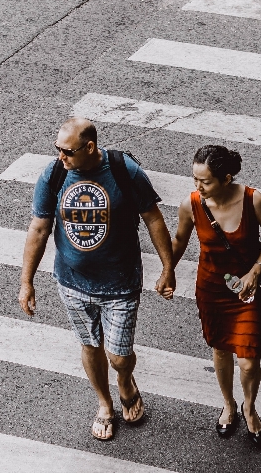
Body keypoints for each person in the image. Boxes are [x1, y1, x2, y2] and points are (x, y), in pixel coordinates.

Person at [18, 117, 176, 441]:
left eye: (68, 152)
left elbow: (153, 218)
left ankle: (125, 382)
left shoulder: (124, 170)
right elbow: (39, 228)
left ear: (90, 147)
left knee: (119, 356)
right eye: (58, 150)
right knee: (90, 345)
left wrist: (167, 266)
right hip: (72, 282)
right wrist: (26, 281)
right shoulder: (54, 174)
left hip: (121, 283)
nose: (61, 158)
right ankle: (104, 404)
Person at [170, 145, 261, 447]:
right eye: (195, 179)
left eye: (205, 181)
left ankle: (249, 407)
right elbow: (179, 239)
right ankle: (229, 405)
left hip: (249, 292)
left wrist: (255, 271)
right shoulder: (191, 204)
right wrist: (168, 271)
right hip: (212, 289)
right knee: (220, 350)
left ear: (226, 178)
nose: (198, 186)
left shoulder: (252, 200)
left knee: (248, 361)